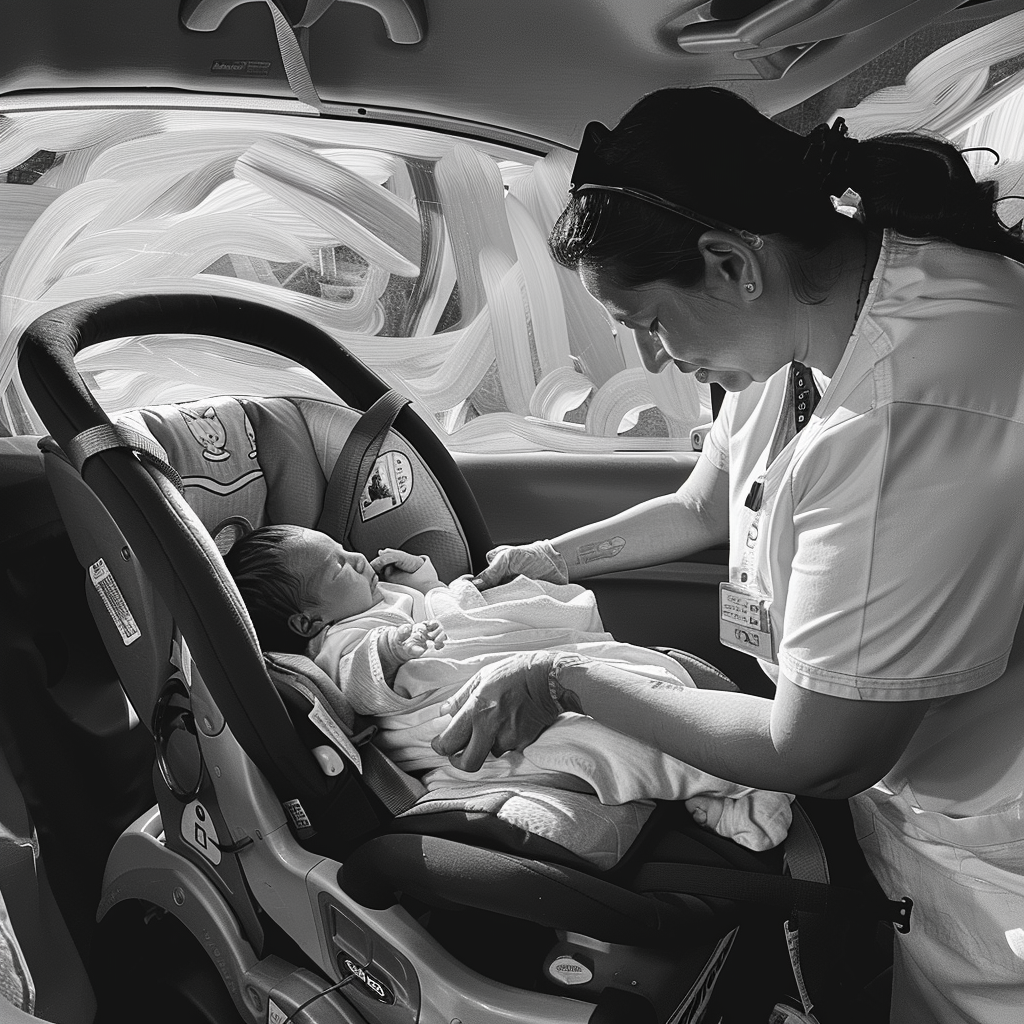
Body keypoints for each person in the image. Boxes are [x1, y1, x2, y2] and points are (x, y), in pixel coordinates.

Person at [429, 87, 1024, 1023]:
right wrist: (549, 557)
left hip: (997, 852)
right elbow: (708, 501)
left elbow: (818, 753)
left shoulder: (906, 413)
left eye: (649, 323)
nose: (653, 359)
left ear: (729, 263)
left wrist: (566, 679)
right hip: (926, 807)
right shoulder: (810, 317)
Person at [224, 524, 794, 858]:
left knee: (627, 685)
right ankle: (734, 771)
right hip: (478, 735)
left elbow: (440, 605)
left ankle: (715, 786)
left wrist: (424, 582)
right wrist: (394, 647)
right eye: (337, 568)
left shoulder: (381, 601)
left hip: (494, 674)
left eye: (343, 548)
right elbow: (361, 683)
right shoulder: (341, 640)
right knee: (605, 746)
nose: (354, 557)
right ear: (306, 622)